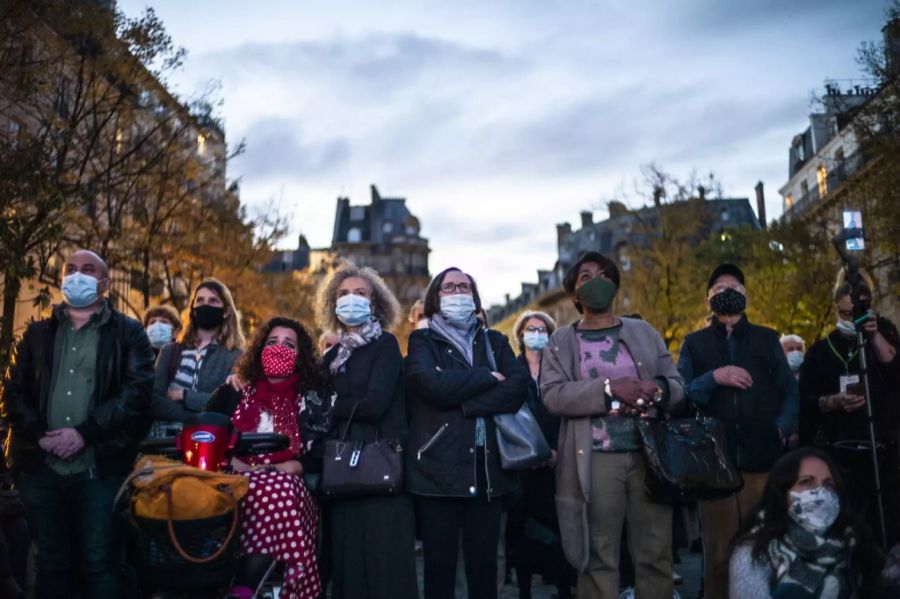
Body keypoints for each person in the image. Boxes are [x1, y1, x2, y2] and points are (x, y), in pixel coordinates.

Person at [3, 249, 155, 597]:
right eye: (70, 269)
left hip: (100, 469)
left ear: (104, 283)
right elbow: (12, 391)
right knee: (51, 562)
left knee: (100, 560)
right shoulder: (36, 333)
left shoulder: (129, 334)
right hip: (42, 469)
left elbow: (136, 395)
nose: (77, 275)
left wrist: (85, 434)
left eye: (88, 270)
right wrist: (39, 435)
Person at [541, 251, 686, 599]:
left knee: (655, 553)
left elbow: (678, 386)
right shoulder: (562, 340)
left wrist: (661, 390)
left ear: (615, 286)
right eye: (585, 278)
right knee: (597, 555)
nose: (596, 282)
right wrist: (608, 390)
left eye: (604, 275)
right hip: (595, 458)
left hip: (648, 458)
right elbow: (552, 395)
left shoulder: (643, 332)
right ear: (574, 294)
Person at [677, 263, 799, 599]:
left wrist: (781, 429)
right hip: (714, 465)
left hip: (762, 460)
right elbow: (681, 394)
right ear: (708, 300)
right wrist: (714, 377)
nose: (727, 293)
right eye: (719, 289)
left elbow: (789, 391)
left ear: (745, 296)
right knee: (719, 554)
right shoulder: (694, 344)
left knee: (761, 548)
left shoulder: (767, 338)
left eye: (734, 288)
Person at [406, 266, 528, 599]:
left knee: (484, 569)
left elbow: (517, 388)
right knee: (439, 569)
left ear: (474, 297)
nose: (458, 293)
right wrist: (489, 377)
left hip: (487, 472)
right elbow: (430, 385)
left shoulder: (496, 341)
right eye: (449, 287)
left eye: (464, 287)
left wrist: (465, 406)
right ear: (435, 298)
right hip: (436, 470)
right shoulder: (422, 340)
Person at [316, 264, 419, 599]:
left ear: (375, 304)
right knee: (350, 567)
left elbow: (375, 404)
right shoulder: (331, 356)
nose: (351, 299)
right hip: (342, 473)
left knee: (385, 568)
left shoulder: (385, 345)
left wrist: (333, 405)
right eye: (344, 294)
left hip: (381, 469)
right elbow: (313, 404)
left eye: (360, 293)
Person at [206, 317, 323, 599]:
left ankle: (246, 585)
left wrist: (283, 467)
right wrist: (234, 464)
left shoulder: (311, 399)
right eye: (272, 342)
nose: (279, 348)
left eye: (288, 344)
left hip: (288, 483)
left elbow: (318, 454)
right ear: (260, 350)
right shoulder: (233, 392)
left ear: (300, 356)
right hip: (234, 477)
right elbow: (208, 436)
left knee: (275, 489)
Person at [799, 278, 900, 546]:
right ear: (835, 309)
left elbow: (894, 372)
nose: (850, 319)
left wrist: (873, 332)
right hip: (838, 451)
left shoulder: (881, 340)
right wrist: (831, 401)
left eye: (855, 313)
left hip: (881, 452)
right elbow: (806, 401)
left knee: (883, 530)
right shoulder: (820, 351)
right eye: (845, 313)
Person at [728, 448, 884, 598]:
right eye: (807, 482)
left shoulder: (853, 543)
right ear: (782, 493)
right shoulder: (754, 551)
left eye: (829, 484)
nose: (821, 492)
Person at [505, 310, 576, 599]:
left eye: (542, 329)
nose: (536, 334)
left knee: (556, 528)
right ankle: (524, 591)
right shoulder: (513, 369)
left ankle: (562, 587)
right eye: (531, 329)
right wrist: (530, 452)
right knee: (523, 530)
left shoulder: (557, 369)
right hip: (523, 466)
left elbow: (563, 410)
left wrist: (554, 450)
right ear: (520, 335)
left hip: (556, 461)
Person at [147, 278, 244, 438]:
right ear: (192, 308)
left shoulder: (235, 356)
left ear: (226, 311)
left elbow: (225, 406)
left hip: (207, 441)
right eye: (200, 300)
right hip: (162, 441)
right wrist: (198, 416)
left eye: (213, 300)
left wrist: (184, 395)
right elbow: (154, 401)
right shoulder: (169, 351)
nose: (205, 305)